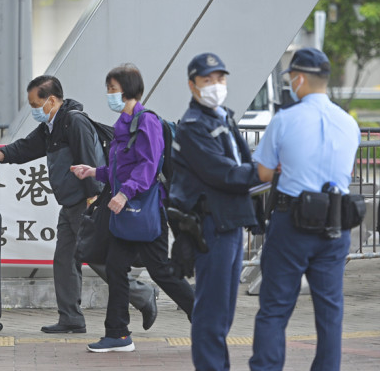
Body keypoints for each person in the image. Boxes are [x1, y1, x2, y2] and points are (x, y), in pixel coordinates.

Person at [0, 75, 158, 334]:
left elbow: (89, 160)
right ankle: (71, 318)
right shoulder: (50, 127)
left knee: (97, 257)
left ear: (52, 100)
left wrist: (92, 204)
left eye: (36, 104)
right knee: (64, 260)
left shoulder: (74, 122)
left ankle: (142, 295)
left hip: (85, 203)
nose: (34, 109)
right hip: (69, 205)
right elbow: (20, 150)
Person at [249, 48, 361, 371]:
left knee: (274, 308)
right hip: (336, 225)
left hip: (291, 224)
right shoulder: (348, 123)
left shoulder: (284, 120)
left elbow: (263, 173)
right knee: (330, 312)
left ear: (299, 78)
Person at [71, 64, 194, 353]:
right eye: (108, 89)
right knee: (115, 267)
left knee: (161, 270)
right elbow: (120, 168)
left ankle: (205, 318)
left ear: (127, 89)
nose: (109, 94)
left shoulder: (145, 121)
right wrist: (93, 172)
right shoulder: (123, 124)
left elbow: (148, 166)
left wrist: (125, 194)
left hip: (144, 209)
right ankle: (118, 334)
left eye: (112, 89)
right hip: (127, 213)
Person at [169, 53, 260, 370]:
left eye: (220, 79)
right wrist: (264, 172)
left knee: (224, 311)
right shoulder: (193, 127)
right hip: (211, 227)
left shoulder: (223, 118)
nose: (216, 86)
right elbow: (224, 173)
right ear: (192, 85)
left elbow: (243, 166)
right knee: (211, 311)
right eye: (208, 80)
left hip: (230, 223)